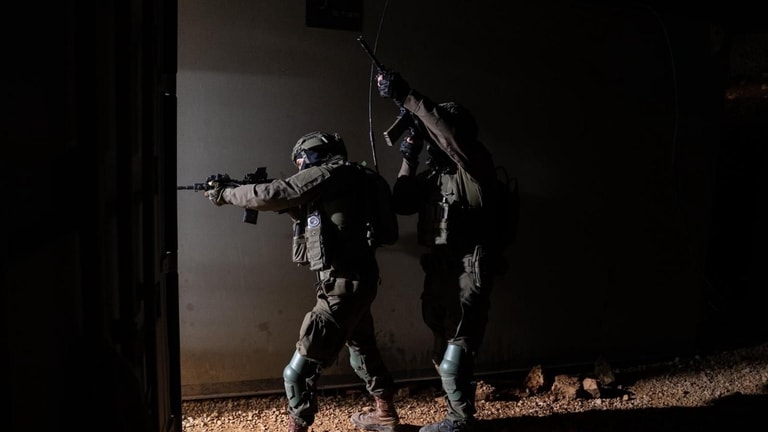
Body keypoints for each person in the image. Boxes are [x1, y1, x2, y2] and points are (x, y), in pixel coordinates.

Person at [203, 131, 401, 432]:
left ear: (313, 154)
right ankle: (385, 412)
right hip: (361, 283)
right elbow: (351, 223)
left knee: (297, 372)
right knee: (362, 348)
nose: (299, 167)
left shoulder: (327, 174)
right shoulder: (359, 178)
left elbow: (275, 193)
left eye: (300, 161)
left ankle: (298, 426)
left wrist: (226, 194)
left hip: (340, 287)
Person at [376, 71, 502, 432]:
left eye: (434, 133)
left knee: (455, 352)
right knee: (441, 348)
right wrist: (409, 157)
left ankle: (461, 421)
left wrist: (408, 97)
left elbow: (449, 137)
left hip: (468, 268)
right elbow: (402, 202)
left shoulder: (474, 167)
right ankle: (457, 413)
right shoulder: (436, 176)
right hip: (439, 271)